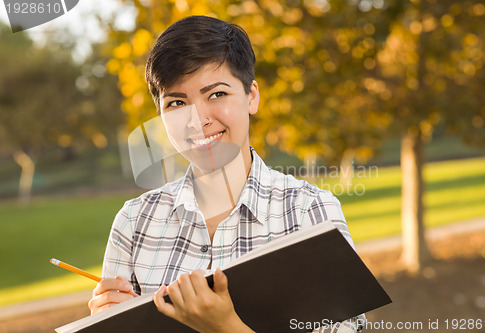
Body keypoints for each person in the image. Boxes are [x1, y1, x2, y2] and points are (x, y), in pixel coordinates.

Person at [88, 15, 365, 333]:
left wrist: (226, 328)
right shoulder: (134, 222)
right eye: (177, 102)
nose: (197, 120)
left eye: (216, 94)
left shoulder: (309, 212)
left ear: (252, 96)